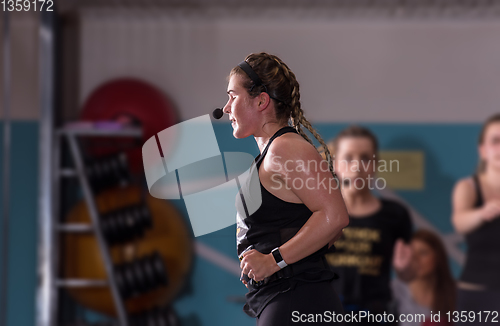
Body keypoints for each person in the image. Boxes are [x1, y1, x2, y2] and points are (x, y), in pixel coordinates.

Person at [223, 52, 349, 325]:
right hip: (289, 298)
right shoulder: (274, 152)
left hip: (295, 299)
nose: (225, 108)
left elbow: (335, 217)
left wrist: (274, 260)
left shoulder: (284, 148)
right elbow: (330, 228)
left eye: (233, 96)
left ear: (261, 100)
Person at [324, 125, 413, 324]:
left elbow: (407, 274)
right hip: (325, 313)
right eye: (348, 158)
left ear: (375, 164)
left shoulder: (396, 214)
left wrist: (404, 269)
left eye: (365, 158)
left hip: (377, 315)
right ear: (336, 164)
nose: (357, 167)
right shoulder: (319, 212)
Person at [451, 113, 500, 325]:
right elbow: (459, 221)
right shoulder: (468, 187)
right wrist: (482, 213)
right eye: (496, 140)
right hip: (477, 296)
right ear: (482, 150)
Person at [392, 229, 456, 326]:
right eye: (411, 253)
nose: (415, 258)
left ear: (438, 257)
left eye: (423, 253)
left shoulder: (455, 293)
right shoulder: (394, 290)